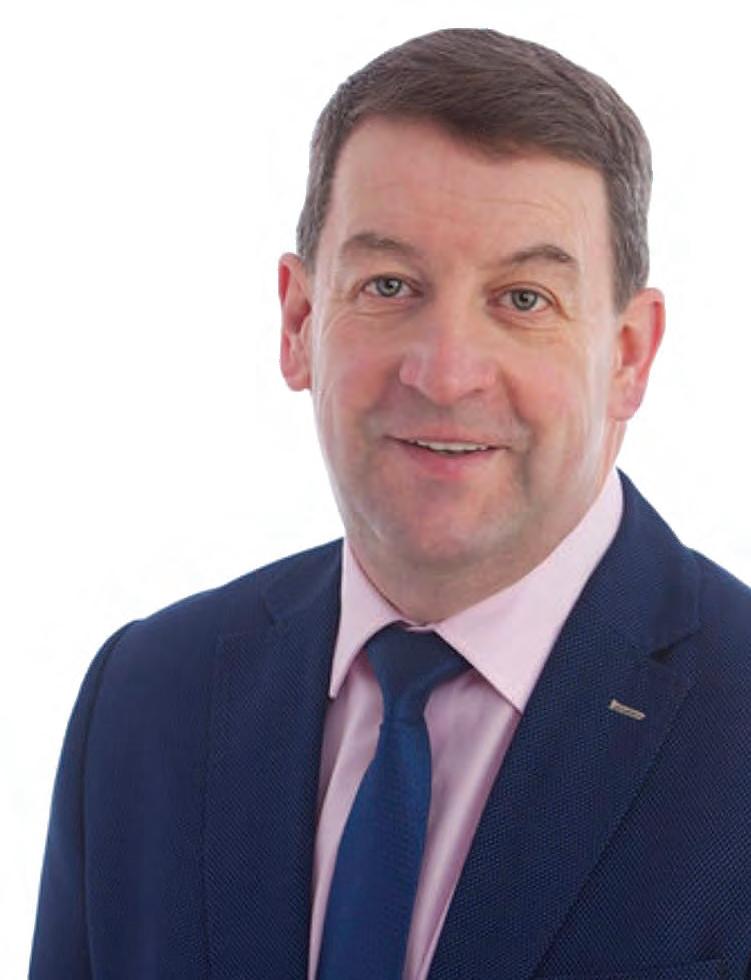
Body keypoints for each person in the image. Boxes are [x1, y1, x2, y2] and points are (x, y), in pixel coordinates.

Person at [30, 27, 751, 980]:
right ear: (299, 322)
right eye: (389, 285)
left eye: (522, 299)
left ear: (627, 355)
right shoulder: (145, 698)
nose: (444, 374)